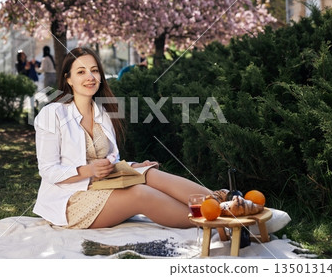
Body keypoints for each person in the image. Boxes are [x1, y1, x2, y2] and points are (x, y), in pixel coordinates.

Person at [33, 47, 213, 229]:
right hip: (70, 201)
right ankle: (213, 220)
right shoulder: (53, 113)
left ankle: (221, 203)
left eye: (94, 70)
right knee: (140, 194)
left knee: (149, 173)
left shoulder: (103, 112)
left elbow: (111, 161)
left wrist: (134, 166)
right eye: (81, 72)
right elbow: (48, 170)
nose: (90, 77)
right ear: (68, 79)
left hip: (103, 185)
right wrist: (89, 170)